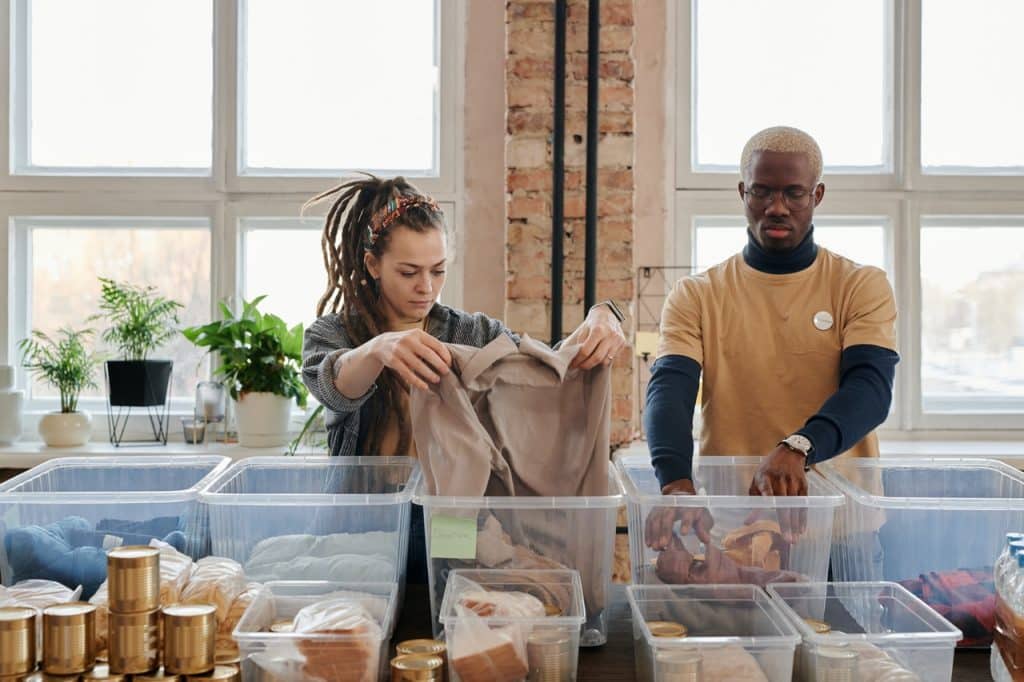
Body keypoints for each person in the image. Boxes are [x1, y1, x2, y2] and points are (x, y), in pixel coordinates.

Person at [301, 174, 628, 581]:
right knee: (362, 626)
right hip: (361, 526)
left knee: (449, 609)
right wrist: (379, 349)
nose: (426, 287)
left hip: (452, 526)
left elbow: (546, 369)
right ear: (372, 265)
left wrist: (605, 314)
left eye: (438, 271)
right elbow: (333, 387)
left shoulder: (470, 333)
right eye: (408, 272)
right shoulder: (333, 335)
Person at [643, 126, 899, 553]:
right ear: (744, 193)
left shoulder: (859, 285)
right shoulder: (697, 295)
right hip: (734, 527)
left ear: (816, 196)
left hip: (840, 531)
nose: (776, 207)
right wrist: (675, 483)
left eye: (793, 194)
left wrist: (799, 446)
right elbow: (669, 387)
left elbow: (870, 389)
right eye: (762, 192)